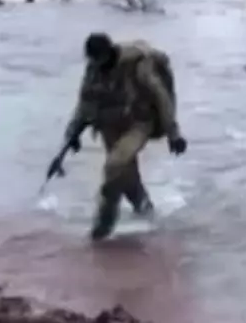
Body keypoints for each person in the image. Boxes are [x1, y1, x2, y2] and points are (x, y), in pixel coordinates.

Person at [62, 33, 187, 241]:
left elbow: (161, 97)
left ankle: (104, 223)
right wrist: (72, 133)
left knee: (114, 165)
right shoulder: (93, 69)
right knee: (126, 175)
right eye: (91, 60)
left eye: (98, 59)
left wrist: (173, 133)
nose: (95, 64)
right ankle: (146, 212)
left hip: (139, 123)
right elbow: (85, 103)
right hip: (109, 125)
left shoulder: (138, 66)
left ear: (108, 53)